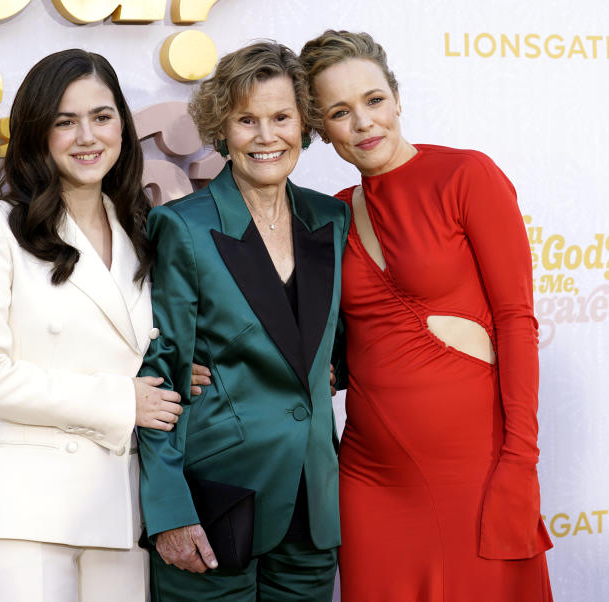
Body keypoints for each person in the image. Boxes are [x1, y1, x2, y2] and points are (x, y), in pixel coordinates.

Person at [0, 49, 208, 602]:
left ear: (123, 128)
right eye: (65, 121)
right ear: (37, 132)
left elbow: (138, 350)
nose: (87, 136)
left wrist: (181, 374)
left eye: (102, 117)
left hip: (119, 502)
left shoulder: (142, 230)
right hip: (22, 509)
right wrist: (120, 401)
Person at [299, 31, 554, 600]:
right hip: (370, 476)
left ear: (395, 97)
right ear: (321, 129)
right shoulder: (333, 214)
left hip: (475, 466)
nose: (364, 123)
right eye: (340, 112)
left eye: (373, 100)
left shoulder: (467, 176)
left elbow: (516, 321)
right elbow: (332, 340)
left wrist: (520, 460)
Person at [136, 41, 350, 601]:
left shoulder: (331, 218)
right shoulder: (182, 227)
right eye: (245, 119)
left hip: (313, 500)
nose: (265, 136)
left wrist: (329, 365)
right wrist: (169, 510)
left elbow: (348, 334)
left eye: (281, 117)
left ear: (304, 123)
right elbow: (160, 375)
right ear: (221, 128)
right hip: (216, 500)